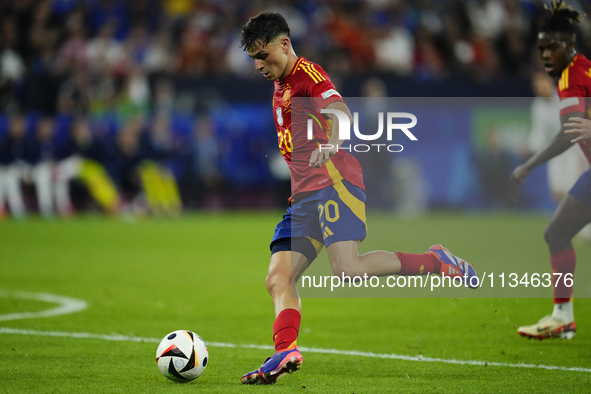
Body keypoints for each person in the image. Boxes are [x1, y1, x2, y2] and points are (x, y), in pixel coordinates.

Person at [238, 11, 478, 385]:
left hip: (334, 182)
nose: (258, 65)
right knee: (278, 277)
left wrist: (333, 141)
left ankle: (436, 261)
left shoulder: (309, 76)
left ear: (284, 44)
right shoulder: (279, 81)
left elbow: (339, 110)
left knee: (347, 270)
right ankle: (285, 349)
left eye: (263, 55)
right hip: (303, 197)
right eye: (254, 58)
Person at [510, 1, 588, 340]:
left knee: (556, 233)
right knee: (555, 233)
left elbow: (569, 131)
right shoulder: (583, 70)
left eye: (551, 47)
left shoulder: (573, 76)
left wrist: (528, 165)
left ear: (568, 45)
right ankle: (562, 316)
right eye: (541, 48)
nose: (545, 55)